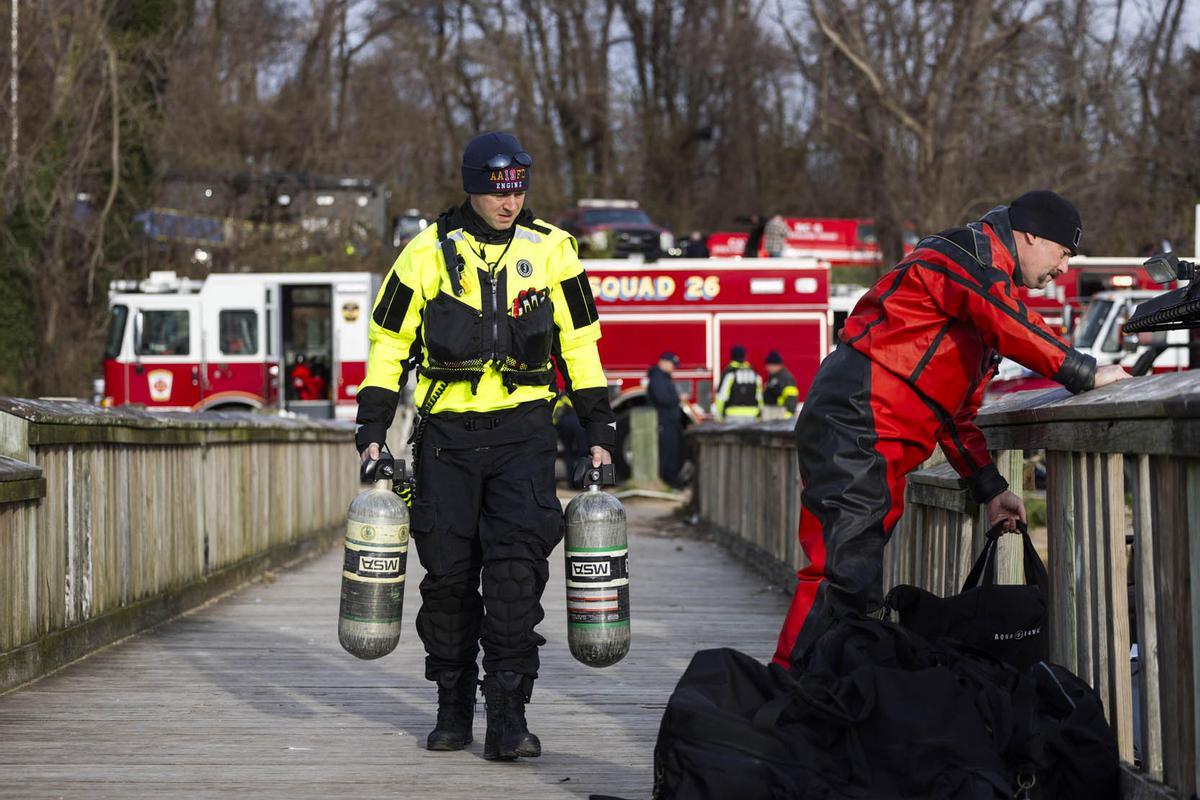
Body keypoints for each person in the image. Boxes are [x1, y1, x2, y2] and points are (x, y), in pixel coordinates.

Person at [772, 190, 1132, 671]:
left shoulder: (986, 291)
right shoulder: (962, 254)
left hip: (871, 432)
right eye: (1064, 252)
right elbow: (1009, 323)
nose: (1064, 268)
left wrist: (990, 489)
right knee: (844, 576)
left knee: (843, 574)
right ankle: (795, 700)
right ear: (1030, 236)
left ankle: (810, 696)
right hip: (858, 420)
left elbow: (958, 412)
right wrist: (1084, 372)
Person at [355, 130, 615, 761]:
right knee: (447, 580)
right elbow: (388, 345)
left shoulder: (555, 251)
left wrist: (599, 429)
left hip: (524, 434)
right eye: (498, 191)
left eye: (518, 189)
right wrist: (371, 430)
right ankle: (451, 706)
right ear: (471, 187)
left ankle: (508, 716)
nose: (509, 201)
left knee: (514, 580)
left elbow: (579, 344)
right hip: (445, 440)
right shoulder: (423, 255)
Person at [646, 351, 683, 487]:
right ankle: (667, 481)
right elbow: (662, 398)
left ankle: (669, 479)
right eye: (672, 364)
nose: (673, 367)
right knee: (666, 453)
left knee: (670, 451)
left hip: (668, 421)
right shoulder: (658, 378)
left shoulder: (662, 377)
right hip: (664, 420)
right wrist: (678, 398)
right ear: (663, 362)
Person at [714, 345, 763, 420]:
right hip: (752, 416)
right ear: (745, 356)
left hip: (732, 415)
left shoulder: (730, 373)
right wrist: (759, 415)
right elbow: (759, 397)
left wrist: (719, 416)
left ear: (731, 356)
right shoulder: (754, 373)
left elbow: (721, 396)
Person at [761, 350, 798, 417]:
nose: (766, 368)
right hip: (773, 415)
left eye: (769, 365)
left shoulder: (786, 379)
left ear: (777, 365)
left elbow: (791, 399)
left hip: (781, 417)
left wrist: (785, 417)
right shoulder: (772, 377)